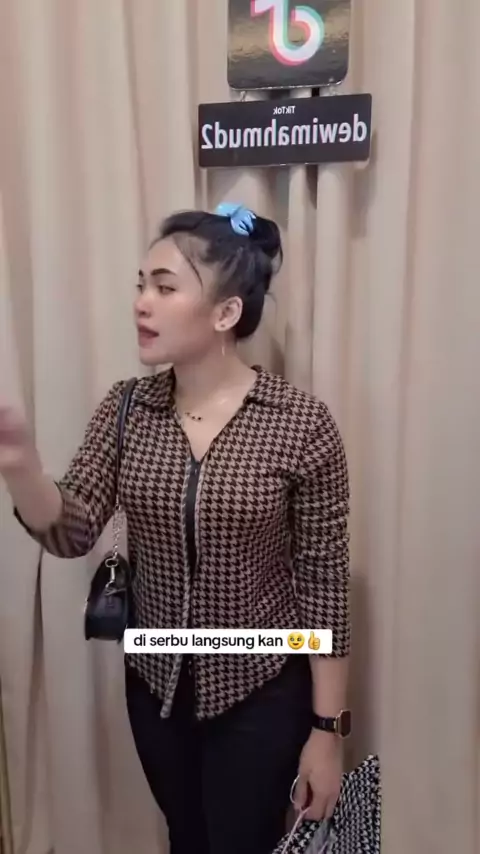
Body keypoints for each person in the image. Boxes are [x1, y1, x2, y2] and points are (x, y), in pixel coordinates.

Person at [0, 202, 352, 854]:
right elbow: (73, 530)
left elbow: (324, 583)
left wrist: (328, 731)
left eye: (165, 288)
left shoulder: (300, 423)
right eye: (141, 285)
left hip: (261, 688)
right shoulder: (127, 408)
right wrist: (19, 465)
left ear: (225, 313)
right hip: (156, 688)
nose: (142, 303)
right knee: (187, 839)